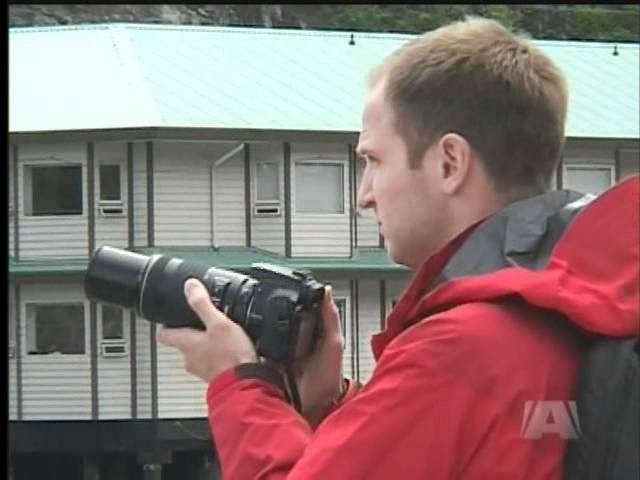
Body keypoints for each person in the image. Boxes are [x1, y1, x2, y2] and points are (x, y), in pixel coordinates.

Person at [158, 17, 639, 479]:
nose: (364, 195)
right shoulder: (581, 311)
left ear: (450, 163)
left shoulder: (460, 350)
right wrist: (332, 406)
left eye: (374, 160)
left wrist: (240, 383)